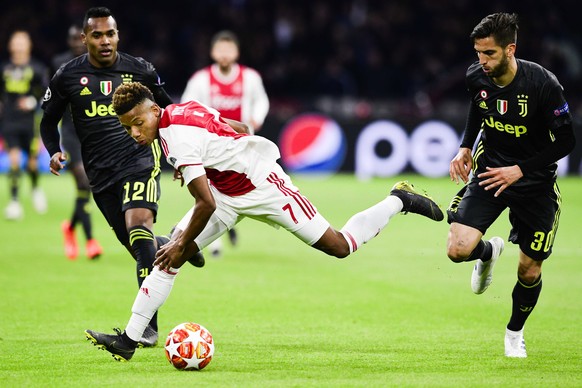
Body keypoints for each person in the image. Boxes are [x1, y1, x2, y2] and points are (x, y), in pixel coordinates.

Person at [84, 81, 444, 361]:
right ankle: (129, 340)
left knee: (339, 246)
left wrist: (182, 238)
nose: (134, 132)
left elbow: (203, 203)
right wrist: (216, 159)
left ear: (153, 109)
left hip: (263, 186)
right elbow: (235, 124)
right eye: (127, 127)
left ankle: (399, 200)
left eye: (137, 122)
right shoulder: (181, 110)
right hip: (226, 192)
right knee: (169, 259)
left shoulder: (177, 138)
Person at [40, 7, 203, 348]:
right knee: (140, 247)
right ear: (84, 39)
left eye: (110, 34)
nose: (104, 41)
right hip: (100, 175)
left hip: (139, 160)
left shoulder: (139, 69)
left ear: (118, 36)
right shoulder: (68, 76)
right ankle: (181, 243)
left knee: (138, 227)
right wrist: (54, 149)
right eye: (96, 35)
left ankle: (146, 327)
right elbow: (47, 120)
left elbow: (167, 112)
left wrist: (179, 156)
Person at [446, 13, 576, 358]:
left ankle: (514, 333)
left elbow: (566, 141)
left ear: (510, 49)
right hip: (491, 172)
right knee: (457, 248)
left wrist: (520, 170)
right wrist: (464, 146)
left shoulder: (543, 84)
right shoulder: (477, 75)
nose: (481, 61)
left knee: (529, 270)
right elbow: (478, 108)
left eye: (489, 53)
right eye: (478, 53)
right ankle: (487, 252)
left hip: (535, 184)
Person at [180, 30, 270, 257]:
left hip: (241, 144)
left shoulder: (250, 78)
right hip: (210, 145)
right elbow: (187, 105)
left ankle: (225, 224)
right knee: (209, 191)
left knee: (236, 189)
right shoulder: (201, 80)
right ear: (212, 52)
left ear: (237, 52)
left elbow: (262, 100)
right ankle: (214, 243)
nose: (224, 54)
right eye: (220, 49)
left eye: (229, 49)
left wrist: (256, 119)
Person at [51, 24, 102, 260]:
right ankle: (91, 241)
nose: (75, 43)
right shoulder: (60, 65)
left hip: (91, 134)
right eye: (71, 38)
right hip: (70, 135)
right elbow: (50, 97)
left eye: (78, 39)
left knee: (87, 188)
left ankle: (70, 228)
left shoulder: (96, 64)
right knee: (85, 183)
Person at [1, 30, 49, 220]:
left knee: (32, 164)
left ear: (29, 45)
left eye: (23, 42)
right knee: (13, 161)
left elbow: (47, 95)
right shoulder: (4, 69)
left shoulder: (37, 69)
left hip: (30, 124)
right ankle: (14, 202)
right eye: (16, 42)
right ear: (10, 46)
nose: (19, 46)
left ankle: (36, 189)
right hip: (9, 123)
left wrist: (32, 102)